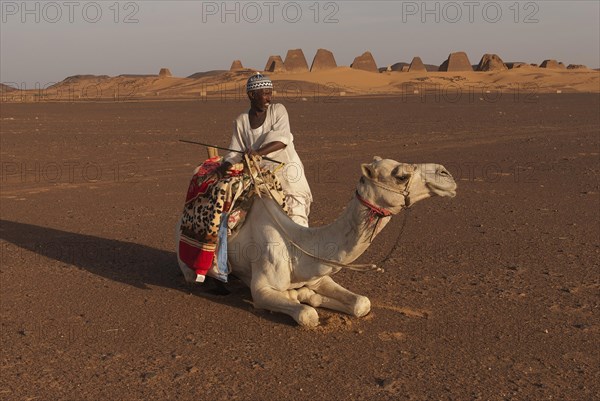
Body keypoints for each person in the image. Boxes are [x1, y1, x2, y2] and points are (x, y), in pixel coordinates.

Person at [215, 73, 312, 226]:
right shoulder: (241, 121)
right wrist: (224, 166)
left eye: (270, 93)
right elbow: (235, 151)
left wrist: (258, 153)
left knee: (296, 221)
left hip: (288, 175)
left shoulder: (278, 110)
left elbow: (282, 139)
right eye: (265, 94)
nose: (269, 98)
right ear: (252, 95)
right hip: (262, 179)